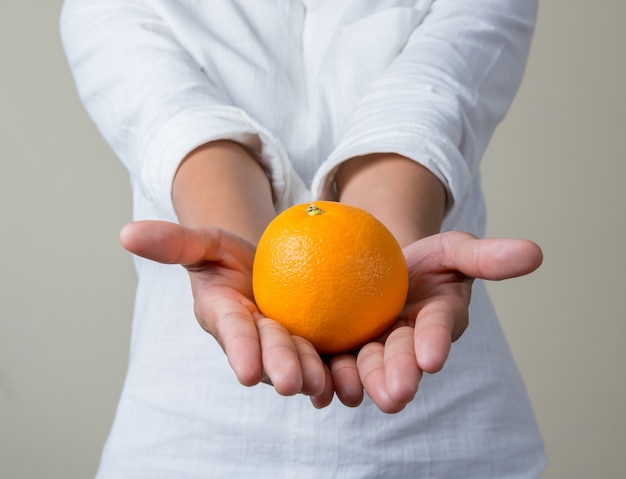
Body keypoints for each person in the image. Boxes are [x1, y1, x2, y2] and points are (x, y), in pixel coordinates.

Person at [61, 0, 547, 477]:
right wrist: (236, 244)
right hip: (191, 445)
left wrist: (386, 262)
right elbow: (182, 125)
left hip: (444, 442)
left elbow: (422, 108)